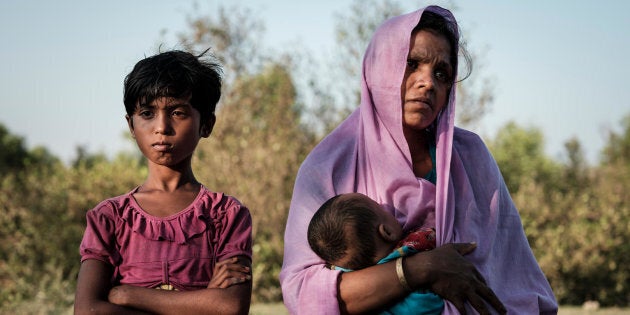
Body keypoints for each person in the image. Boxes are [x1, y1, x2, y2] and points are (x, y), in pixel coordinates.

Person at [280, 5, 558, 315]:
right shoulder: (328, 167)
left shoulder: (470, 158)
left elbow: (515, 280)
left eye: (442, 74)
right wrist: (419, 269)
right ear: (379, 68)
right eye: (411, 64)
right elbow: (305, 294)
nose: (428, 82)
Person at [74, 50, 253, 315]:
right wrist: (202, 303)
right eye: (147, 113)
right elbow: (88, 310)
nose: (162, 127)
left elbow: (230, 306)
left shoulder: (226, 215)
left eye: (178, 112)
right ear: (131, 126)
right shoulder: (109, 218)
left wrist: (126, 294)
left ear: (206, 124)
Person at [308, 192, 443, 315]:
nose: (386, 207)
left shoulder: (343, 280)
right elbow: (429, 305)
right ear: (387, 232)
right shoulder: (415, 247)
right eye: (382, 210)